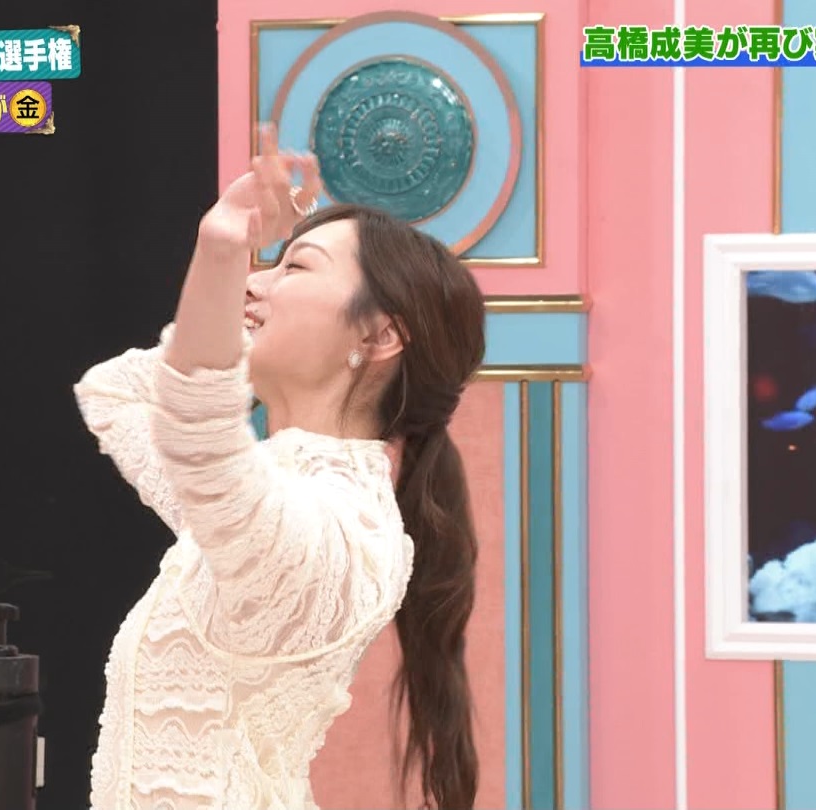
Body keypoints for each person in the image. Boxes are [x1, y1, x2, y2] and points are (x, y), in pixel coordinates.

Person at [73, 123, 486, 810]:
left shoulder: (332, 523)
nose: (254, 283)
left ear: (381, 334)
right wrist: (254, 322)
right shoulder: (286, 492)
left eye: (294, 268)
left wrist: (221, 255)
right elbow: (115, 394)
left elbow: (198, 431)